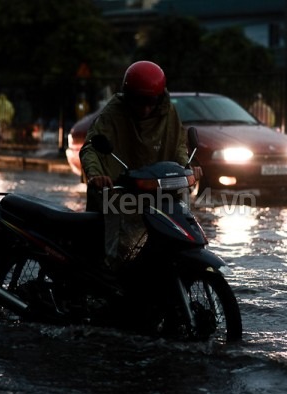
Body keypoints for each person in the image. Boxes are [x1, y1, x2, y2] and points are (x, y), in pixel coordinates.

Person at [79, 60, 202, 267]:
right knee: (113, 258)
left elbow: (178, 144)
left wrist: (187, 167)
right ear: (128, 98)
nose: (145, 109)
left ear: (159, 99)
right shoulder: (112, 114)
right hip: (119, 193)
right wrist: (96, 174)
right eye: (138, 102)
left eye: (150, 102)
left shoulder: (168, 113)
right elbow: (92, 146)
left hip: (158, 194)